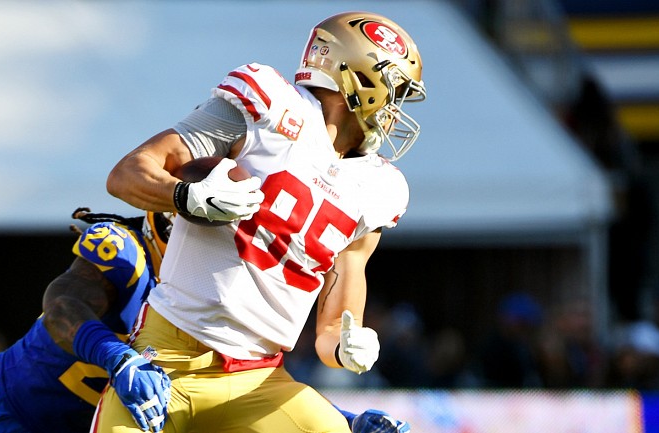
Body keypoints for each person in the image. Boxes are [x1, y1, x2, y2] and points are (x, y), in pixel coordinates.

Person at [96, 10, 425, 433]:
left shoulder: (381, 187)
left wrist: (346, 347)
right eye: (395, 91)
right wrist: (186, 195)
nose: (395, 109)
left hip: (258, 381)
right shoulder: (269, 105)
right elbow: (127, 174)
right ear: (358, 79)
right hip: (165, 362)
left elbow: (332, 327)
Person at [0, 209, 409, 433]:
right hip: (6, 411)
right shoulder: (123, 250)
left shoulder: (227, 290)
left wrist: (343, 421)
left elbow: (246, 381)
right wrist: (116, 356)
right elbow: (61, 304)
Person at [0, 209, 173, 433]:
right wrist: (116, 356)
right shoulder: (129, 253)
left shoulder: (200, 288)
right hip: (11, 412)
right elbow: (62, 305)